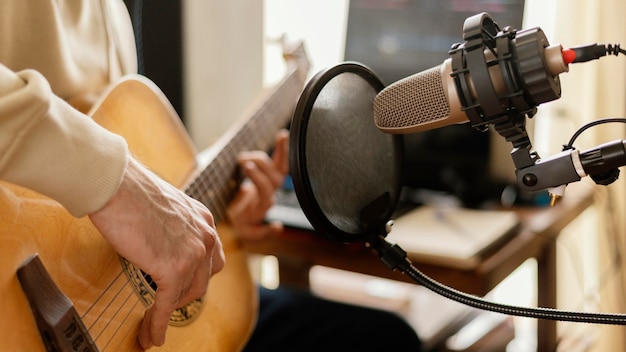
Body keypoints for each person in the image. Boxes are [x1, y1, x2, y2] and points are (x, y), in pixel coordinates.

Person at [0, 1, 422, 351]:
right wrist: (115, 181)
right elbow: (113, 178)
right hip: (22, 290)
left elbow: (118, 183)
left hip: (116, 318)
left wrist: (214, 220)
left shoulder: (111, 12)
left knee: (383, 339)